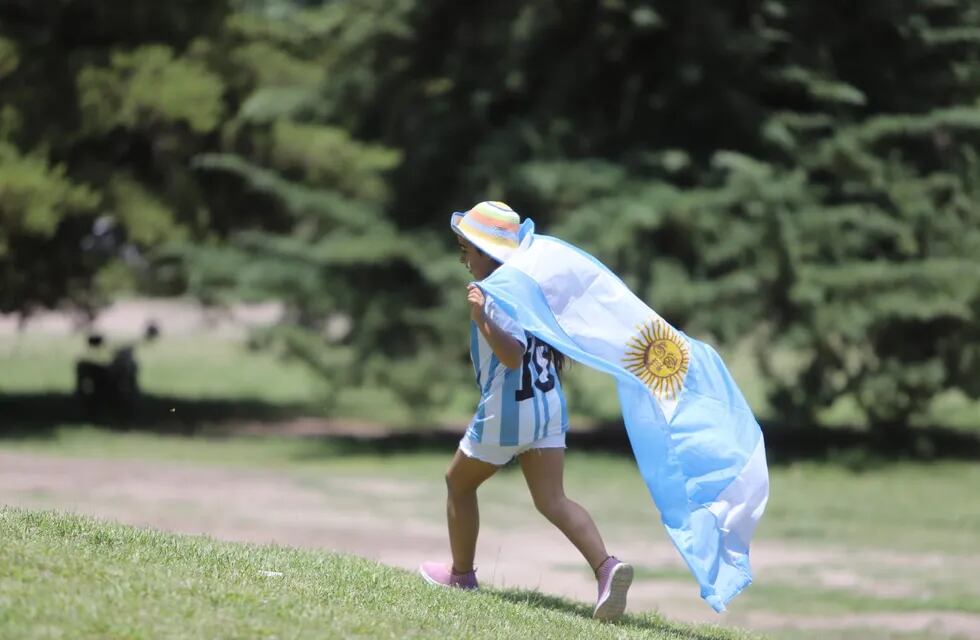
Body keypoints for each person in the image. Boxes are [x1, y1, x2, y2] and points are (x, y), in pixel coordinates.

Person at [418, 201, 633, 622]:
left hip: (509, 410)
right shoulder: (527, 287)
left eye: (467, 251)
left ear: (486, 253)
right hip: (549, 408)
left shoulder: (496, 293)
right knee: (552, 499)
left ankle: (461, 575)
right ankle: (607, 569)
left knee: (457, 483)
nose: (464, 260)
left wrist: (482, 318)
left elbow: (512, 355)